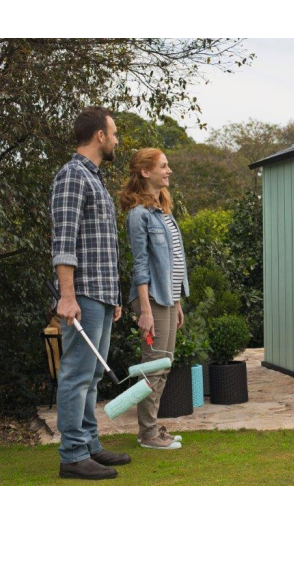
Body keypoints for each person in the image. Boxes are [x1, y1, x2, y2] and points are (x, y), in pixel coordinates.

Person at [50, 106, 131, 480]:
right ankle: (72, 455)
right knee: (77, 374)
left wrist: (114, 296)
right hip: (82, 296)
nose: (116, 140)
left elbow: (101, 246)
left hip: (101, 295)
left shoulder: (93, 178)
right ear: (100, 135)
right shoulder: (72, 176)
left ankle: (89, 445)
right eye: (113, 133)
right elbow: (64, 242)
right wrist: (67, 297)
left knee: (93, 374)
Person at [120, 148, 189, 449]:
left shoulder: (163, 211)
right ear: (145, 172)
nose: (169, 170)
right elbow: (140, 266)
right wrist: (145, 311)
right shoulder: (139, 215)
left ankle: (150, 430)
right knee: (153, 367)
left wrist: (177, 301)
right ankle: (147, 433)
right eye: (163, 166)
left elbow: (172, 262)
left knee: (164, 365)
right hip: (152, 300)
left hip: (167, 298)